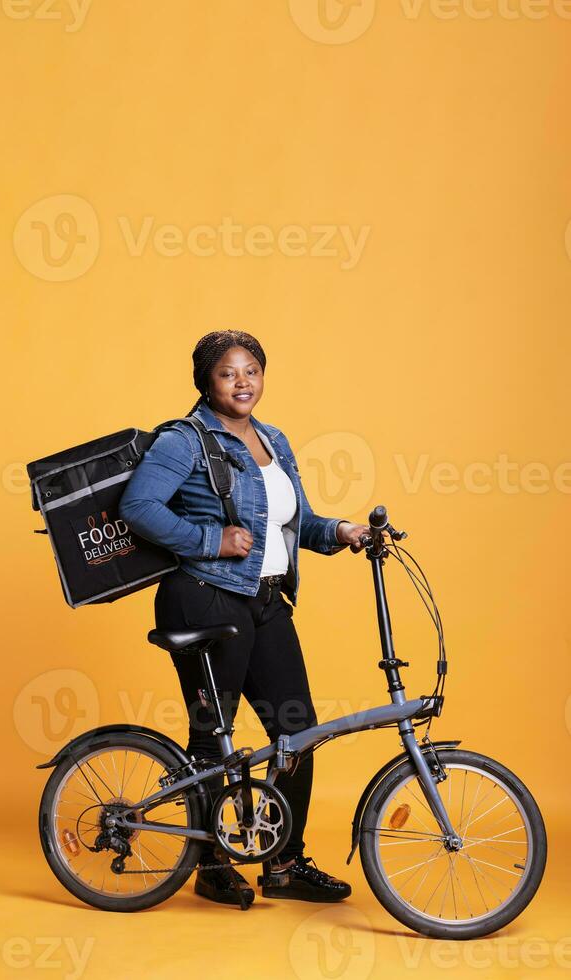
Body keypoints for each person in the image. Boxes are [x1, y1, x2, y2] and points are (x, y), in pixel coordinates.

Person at [119, 329, 370, 909]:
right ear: (207, 379)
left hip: (264, 598)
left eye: (251, 371)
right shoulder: (185, 439)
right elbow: (138, 506)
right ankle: (210, 862)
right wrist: (210, 538)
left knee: (298, 730)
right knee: (215, 733)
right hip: (205, 596)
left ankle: (283, 860)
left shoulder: (272, 438)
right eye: (229, 372)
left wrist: (342, 531)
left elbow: (296, 520)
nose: (242, 382)